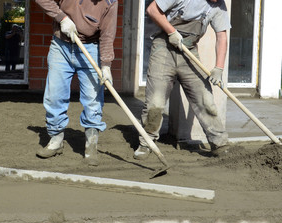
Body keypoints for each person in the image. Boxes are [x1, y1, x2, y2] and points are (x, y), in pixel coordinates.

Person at [134, 0, 231, 160]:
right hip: (164, 47)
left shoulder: (219, 6)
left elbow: (222, 37)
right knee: (155, 103)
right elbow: (152, 9)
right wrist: (171, 32)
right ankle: (146, 143)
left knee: (205, 100)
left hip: (189, 50)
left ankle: (220, 144)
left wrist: (219, 68)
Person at [34, 0, 118, 166]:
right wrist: (62, 18)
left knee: (93, 100)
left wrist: (106, 65)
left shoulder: (110, 2)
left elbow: (108, 34)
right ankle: (56, 140)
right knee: (54, 96)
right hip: (61, 46)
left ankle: (91, 145)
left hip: (91, 48)